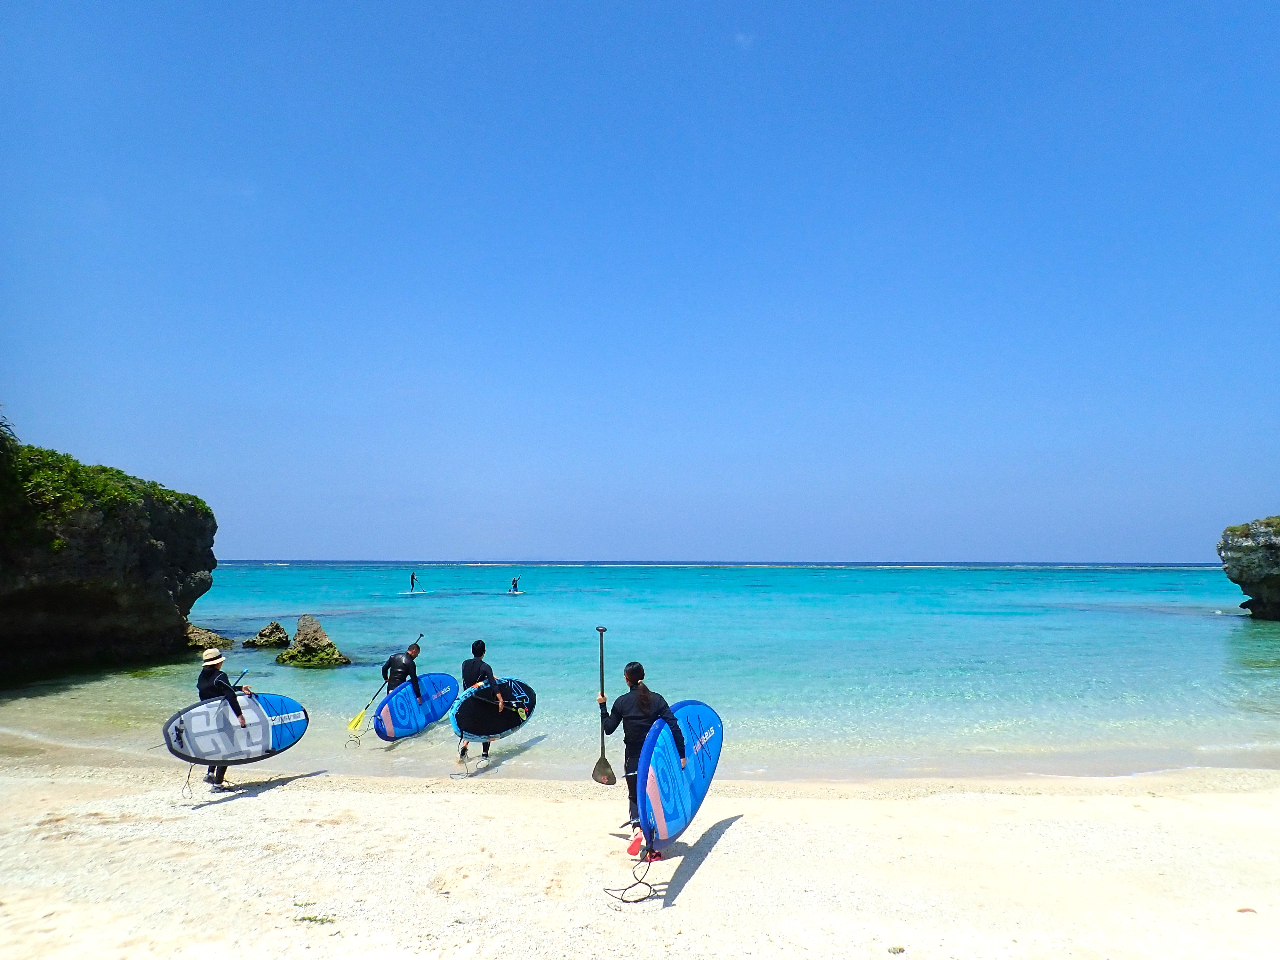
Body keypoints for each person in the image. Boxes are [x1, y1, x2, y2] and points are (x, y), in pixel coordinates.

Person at [598, 661, 685, 854]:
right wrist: (682, 754)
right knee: (654, 797)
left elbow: (608, 728)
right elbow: (674, 725)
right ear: (643, 676)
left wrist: (603, 707)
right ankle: (653, 839)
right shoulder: (657, 700)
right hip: (654, 759)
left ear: (627, 679)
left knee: (635, 797)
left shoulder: (622, 702)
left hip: (633, 759)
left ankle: (637, 830)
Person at [196, 648, 252, 791]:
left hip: (209, 716)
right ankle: (218, 784)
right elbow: (230, 696)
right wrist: (240, 716)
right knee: (228, 746)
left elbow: (217, 689)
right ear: (218, 663)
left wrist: (239, 687)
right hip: (221, 716)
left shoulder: (202, 676)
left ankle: (209, 773)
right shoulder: (220, 675)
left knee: (218, 743)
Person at [459, 640, 504, 763]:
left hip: (467, 700)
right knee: (486, 726)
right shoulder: (485, 667)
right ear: (484, 652)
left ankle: (465, 746)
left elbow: (472, 678)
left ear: (472, 651)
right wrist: (500, 700)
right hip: (480, 701)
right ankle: (484, 755)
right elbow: (494, 685)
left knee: (470, 724)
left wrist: (487, 676)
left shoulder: (464, 664)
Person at [382, 641, 423, 705]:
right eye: (417, 654)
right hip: (400, 690)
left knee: (391, 707)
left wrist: (386, 678)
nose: (416, 656)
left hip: (390, 689)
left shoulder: (393, 657)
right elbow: (414, 680)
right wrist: (418, 696)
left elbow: (384, 669)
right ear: (414, 651)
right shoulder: (410, 663)